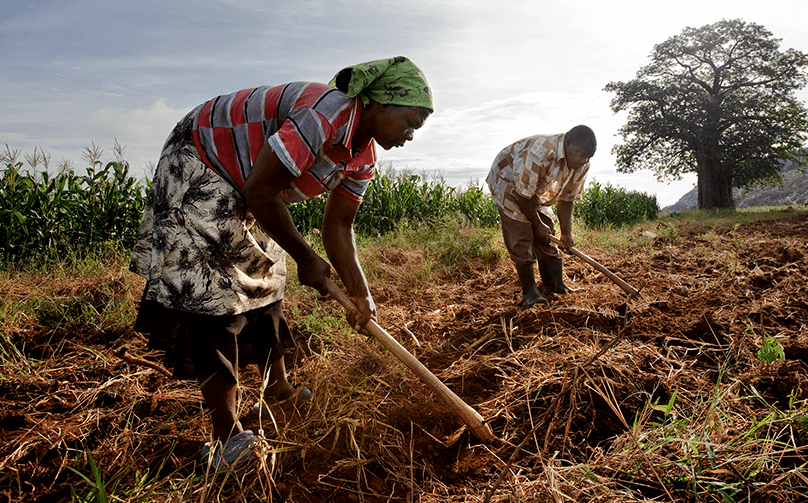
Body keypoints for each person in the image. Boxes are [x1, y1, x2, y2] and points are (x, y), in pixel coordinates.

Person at [129, 56, 433, 467]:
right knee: (212, 292)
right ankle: (226, 438)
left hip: (249, 181)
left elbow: (339, 226)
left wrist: (362, 295)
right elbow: (262, 192)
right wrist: (308, 259)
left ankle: (279, 390)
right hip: (201, 156)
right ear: (379, 104)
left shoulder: (362, 158)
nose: (411, 135)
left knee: (267, 274)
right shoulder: (323, 115)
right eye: (410, 122)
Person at [486, 126, 597, 306]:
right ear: (567, 143)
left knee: (547, 233)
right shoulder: (540, 152)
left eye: (588, 157)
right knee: (521, 233)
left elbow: (567, 199)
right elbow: (522, 195)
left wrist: (566, 233)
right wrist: (536, 225)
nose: (584, 161)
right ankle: (530, 294)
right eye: (581, 155)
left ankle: (555, 285)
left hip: (532, 190)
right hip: (508, 182)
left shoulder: (581, 165)